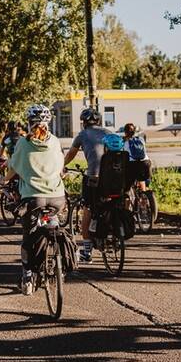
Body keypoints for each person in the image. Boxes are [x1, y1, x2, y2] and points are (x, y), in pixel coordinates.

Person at [5, 104, 65, 295]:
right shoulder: (55, 141)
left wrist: (3, 180)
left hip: (34, 199)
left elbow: (13, 168)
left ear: (29, 122)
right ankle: (56, 259)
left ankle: (28, 275)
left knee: (28, 237)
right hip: (57, 198)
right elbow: (60, 165)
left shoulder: (23, 143)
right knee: (53, 222)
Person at [62, 107, 113, 263]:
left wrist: (61, 166)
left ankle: (86, 252)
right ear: (99, 121)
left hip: (93, 179)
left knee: (87, 210)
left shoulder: (82, 135)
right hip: (112, 179)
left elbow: (71, 154)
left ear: (83, 123)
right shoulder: (109, 133)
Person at [123, 123, 152, 192]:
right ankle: (144, 193)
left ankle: (128, 196)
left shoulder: (124, 142)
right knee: (141, 179)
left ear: (125, 132)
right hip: (146, 164)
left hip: (133, 165)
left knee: (127, 183)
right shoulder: (141, 139)